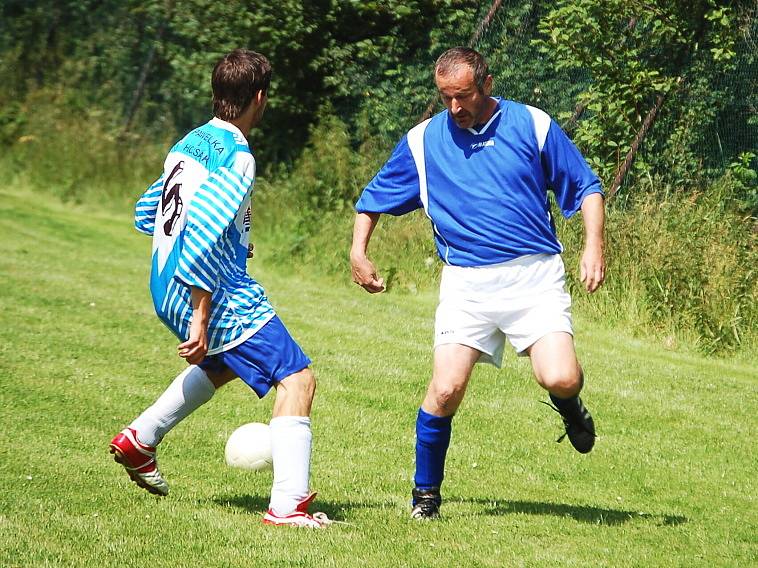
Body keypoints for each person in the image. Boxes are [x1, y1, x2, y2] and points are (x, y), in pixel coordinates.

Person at [350, 47, 605, 519]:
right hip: (466, 284)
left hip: (535, 277)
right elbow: (373, 198)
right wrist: (358, 249)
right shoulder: (423, 140)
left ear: (486, 83)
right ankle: (425, 497)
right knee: (446, 390)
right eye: (445, 97)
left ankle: (571, 408)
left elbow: (586, 187)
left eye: (463, 96)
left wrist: (594, 245)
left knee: (561, 377)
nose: (454, 108)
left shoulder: (533, 124)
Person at [109, 49, 329, 528]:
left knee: (224, 364)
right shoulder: (238, 156)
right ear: (259, 97)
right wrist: (201, 312)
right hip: (207, 289)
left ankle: (139, 439)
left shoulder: (189, 141)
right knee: (297, 379)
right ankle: (288, 506)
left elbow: (147, 211)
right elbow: (206, 229)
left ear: (216, 94)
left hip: (163, 278)